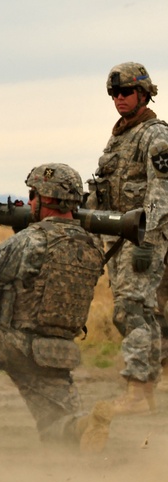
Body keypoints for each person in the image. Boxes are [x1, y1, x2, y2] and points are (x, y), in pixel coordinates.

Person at [0, 164, 113, 452]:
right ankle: (81, 426)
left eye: (33, 195)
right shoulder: (91, 245)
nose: (29, 202)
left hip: (8, 343)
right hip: (54, 354)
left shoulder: (29, 241)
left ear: (46, 199)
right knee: (56, 427)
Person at [85, 62, 168, 414]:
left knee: (131, 308)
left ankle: (136, 388)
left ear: (144, 93)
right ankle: (145, 389)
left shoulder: (156, 136)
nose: (119, 99)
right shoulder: (119, 136)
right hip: (117, 240)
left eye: (127, 92)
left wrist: (146, 239)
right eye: (114, 93)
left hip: (142, 239)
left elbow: (161, 193)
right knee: (135, 311)